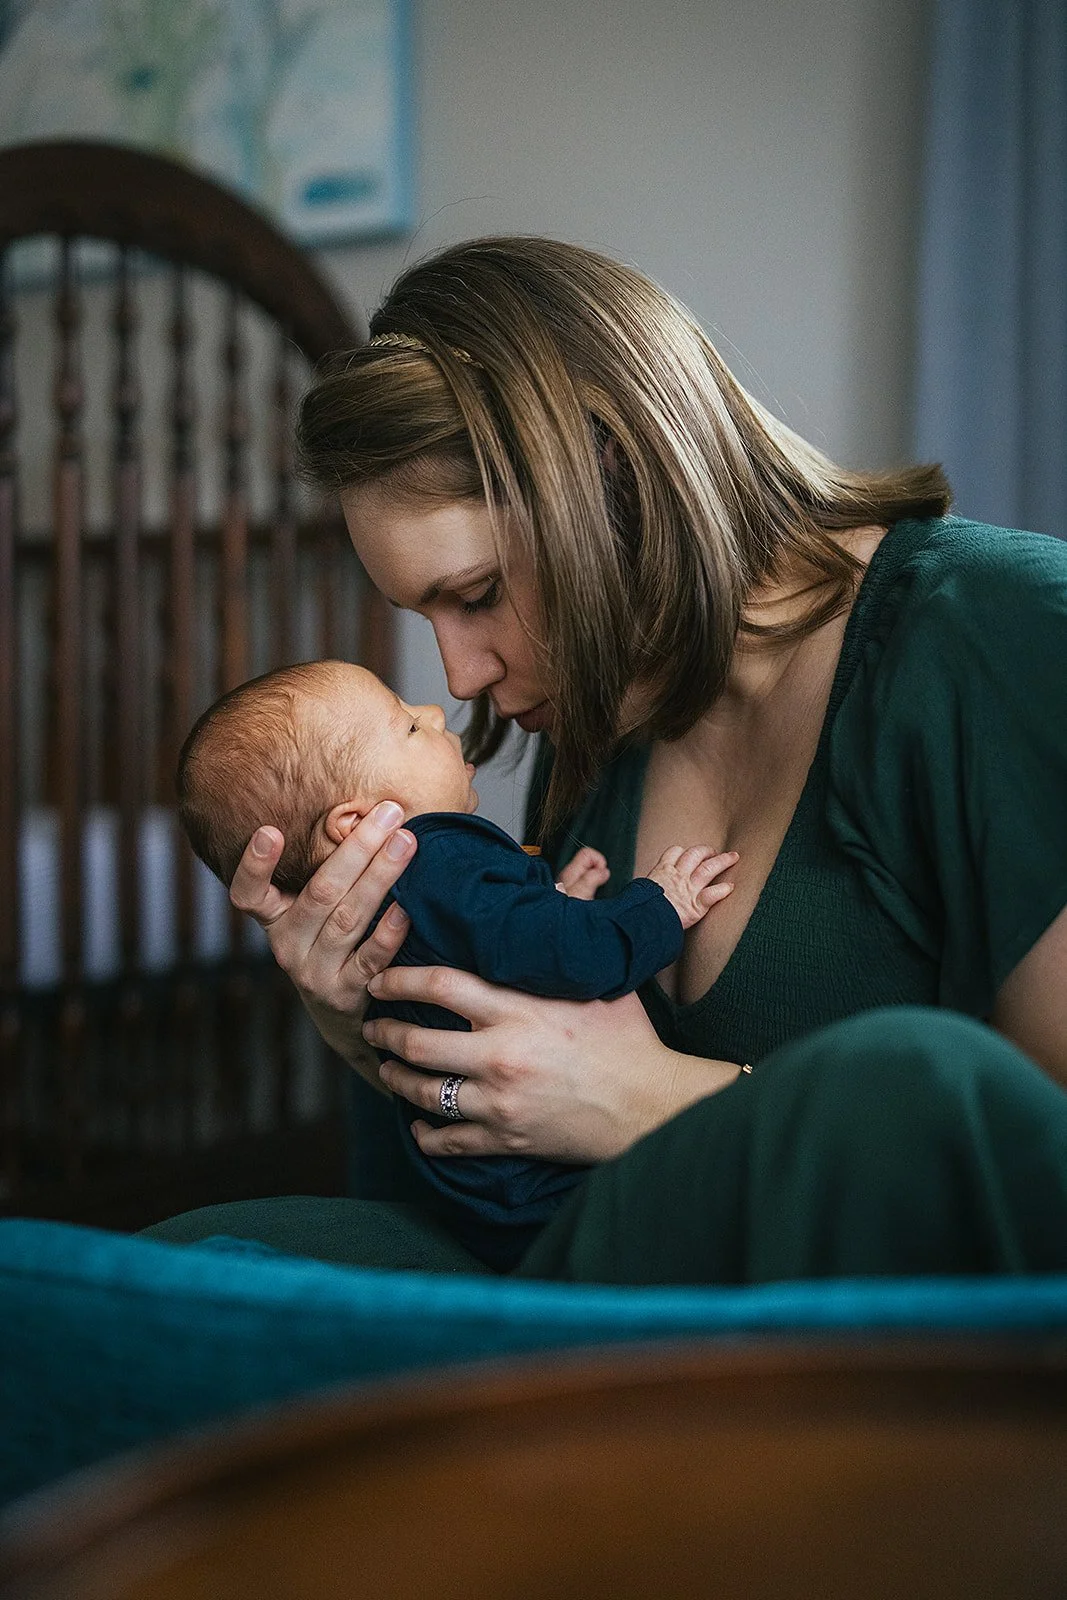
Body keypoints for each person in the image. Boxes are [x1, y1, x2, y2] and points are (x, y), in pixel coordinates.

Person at [143, 235, 1067, 1283]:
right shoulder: (595, 729)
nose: (458, 677)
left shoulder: (1006, 639)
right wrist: (378, 1025)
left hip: (861, 1376)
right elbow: (477, 1215)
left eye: (478, 593)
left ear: (615, 477)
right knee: (168, 1273)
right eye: (421, 615)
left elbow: (1028, 1176)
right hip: (590, 1307)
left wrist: (646, 1099)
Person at [175, 657, 738, 1269]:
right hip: (559, 1196)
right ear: (359, 822)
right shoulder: (440, 862)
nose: (436, 710)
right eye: (408, 727)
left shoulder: (401, 902)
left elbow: (503, 957)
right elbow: (582, 960)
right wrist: (658, 905)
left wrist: (545, 906)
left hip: (493, 1204)